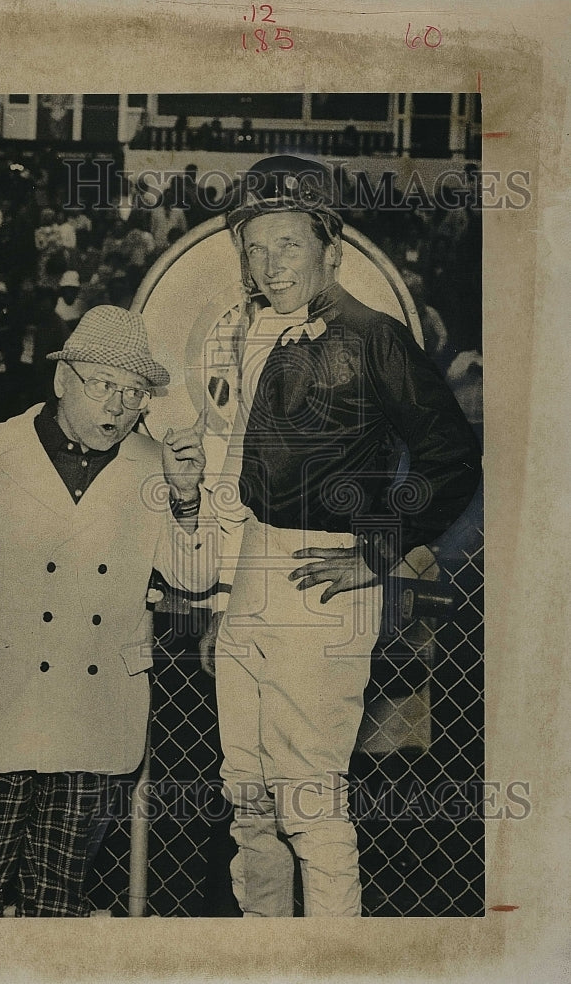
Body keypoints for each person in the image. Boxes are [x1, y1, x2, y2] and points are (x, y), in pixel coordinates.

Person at [201, 155, 482, 917]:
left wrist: (378, 550)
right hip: (254, 575)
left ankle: (333, 971)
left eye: (287, 244)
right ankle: (266, 964)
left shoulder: (373, 334)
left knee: (309, 807)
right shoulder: (257, 331)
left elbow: (453, 458)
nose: (268, 264)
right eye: (254, 249)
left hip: (320, 582)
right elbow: (237, 471)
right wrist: (227, 591)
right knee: (249, 804)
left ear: (331, 248)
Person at [0, 305, 217, 917]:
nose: (117, 408)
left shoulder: (156, 465)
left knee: (59, 902)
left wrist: (186, 497)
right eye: (103, 386)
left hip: (95, 714)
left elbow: (195, 576)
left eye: (133, 394)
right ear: (62, 381)